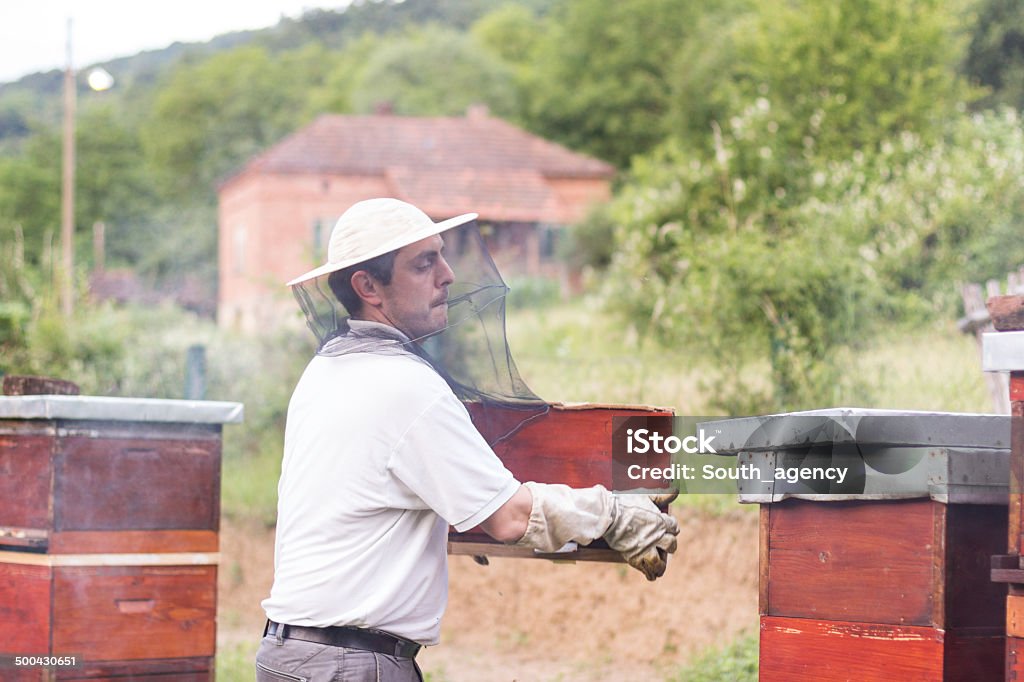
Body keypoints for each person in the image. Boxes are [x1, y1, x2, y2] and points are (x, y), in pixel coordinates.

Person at [255, 198, 680, 682]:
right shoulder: (402, 385)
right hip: (350, 665)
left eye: (441, 254)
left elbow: (377, 503)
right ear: (367, 285)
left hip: (287, 657)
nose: (448, 274)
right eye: (423, 263)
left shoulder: (325, 373)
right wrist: (613, 513)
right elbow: (510, 516)